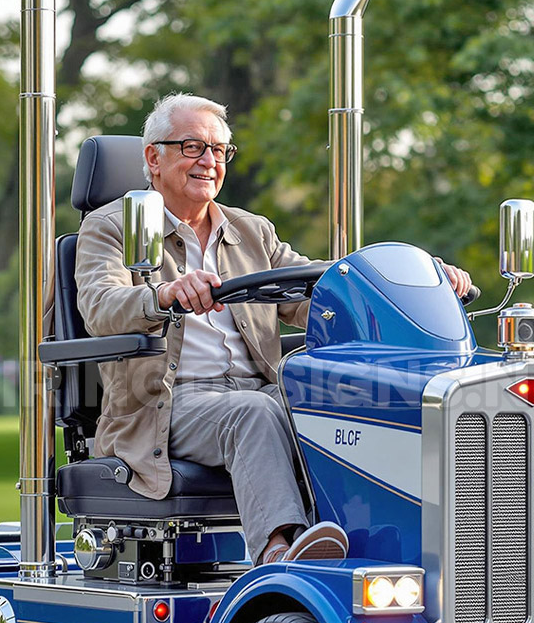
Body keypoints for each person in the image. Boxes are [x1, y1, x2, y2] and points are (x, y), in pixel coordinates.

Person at [74, 93, 473, 565]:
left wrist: (416, 281)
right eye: (193, 147)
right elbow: (101, 306)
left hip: (261, 391)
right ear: (152, 158)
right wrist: (163, 295)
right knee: (254, 414)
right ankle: (279, 554)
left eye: (220, 150)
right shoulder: (112, 226)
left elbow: (318, 287)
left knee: (354, 402)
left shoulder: (251, 230)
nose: (209, 161)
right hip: (164, 405)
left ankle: (407, 549)